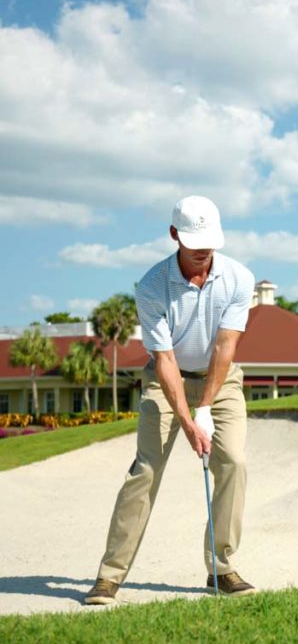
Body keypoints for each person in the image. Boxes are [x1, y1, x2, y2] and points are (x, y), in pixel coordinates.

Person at [85, 195, 257, 604]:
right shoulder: (151, 286)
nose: (202, 250)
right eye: (194, 240)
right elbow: (164, 360)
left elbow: (225, 347)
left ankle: (221, 569)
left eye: (209, 241)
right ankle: (110, 576)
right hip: (166, 381)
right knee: (145, 469)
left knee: (233, 461)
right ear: (174, 234)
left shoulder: (239, 277)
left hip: (221, 381)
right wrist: (186, 418)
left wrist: (205, 409)